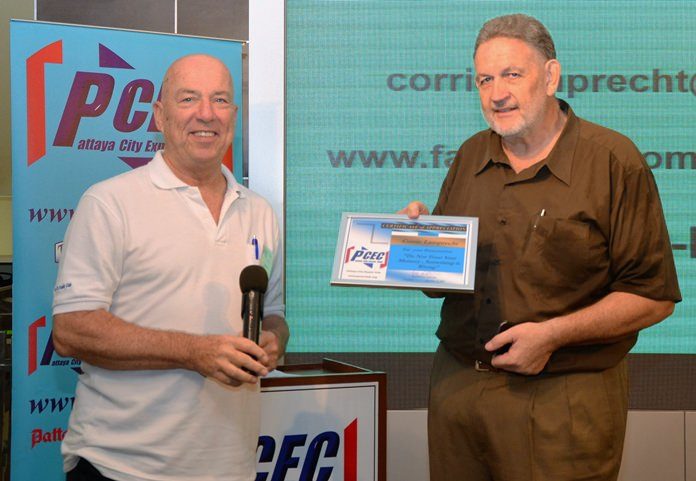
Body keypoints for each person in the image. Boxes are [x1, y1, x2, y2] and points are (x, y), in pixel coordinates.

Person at [400, 14, 681, 481]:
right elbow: (443, 282)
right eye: (485, 79)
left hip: (564, 402)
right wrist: (418, 239)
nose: (497, 93)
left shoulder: (614, 161)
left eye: (512, 74)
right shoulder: (470, 154)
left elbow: (653, 297)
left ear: (551, 77)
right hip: (458, 392)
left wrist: (552, 335)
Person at [52, 54, 289, 481]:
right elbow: (72, 331)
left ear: (234, 116)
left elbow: (273, 314)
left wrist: (274, 339)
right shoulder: (109, 203)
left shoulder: (260, 212)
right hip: (122, 467)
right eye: (188, 99)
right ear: (160, 115)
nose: (206, 114)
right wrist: (194, 352)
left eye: (220, 100)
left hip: (229, 467)